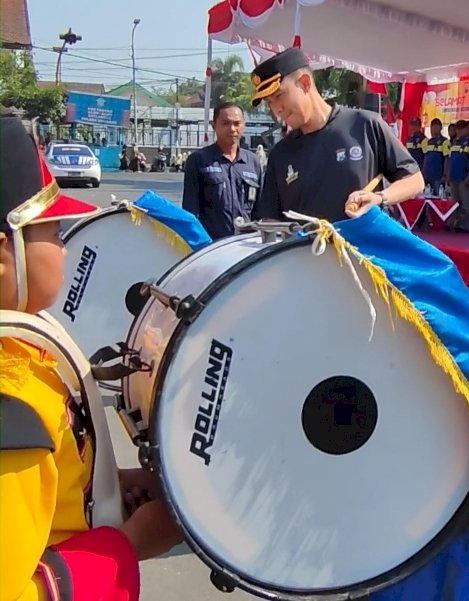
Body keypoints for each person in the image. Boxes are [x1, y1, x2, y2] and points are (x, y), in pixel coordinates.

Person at [0, 111, 183, 601]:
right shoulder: (9, 407)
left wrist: (103, 488)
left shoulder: (20, 351)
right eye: (53, 232)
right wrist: (126, 545)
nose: (64, 249)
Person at [249, 48, 423, 222]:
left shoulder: (364, 125)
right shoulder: (280, 154)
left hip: (360, 247)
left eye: (279, 95)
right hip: (305, 249)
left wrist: (380, 198)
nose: (276, 109)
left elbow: (414, 180)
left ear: (304, 83)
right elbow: (269, 219)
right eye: (270, 102)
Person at [182, 102, 263, 239]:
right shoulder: (199, 160)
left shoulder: (253, 162)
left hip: (247, 244)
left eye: (237, 123)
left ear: (243, 125)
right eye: (225, 123)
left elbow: (260, 210)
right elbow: (190, 211)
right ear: (214, 126)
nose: (232, 129)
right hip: (213, 246)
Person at [445, 120, 469, 231]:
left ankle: (464, 226)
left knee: (465, 204)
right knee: (454, 203)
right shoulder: (454, 143)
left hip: (463, 177)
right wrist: (447, 174)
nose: (459, 131)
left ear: (466, 129)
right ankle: (454, 224)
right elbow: (449, 159)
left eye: (462, 128)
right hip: (453, 176)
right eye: (457, 129)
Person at [420, 118, 449, 196]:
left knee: (438, 197)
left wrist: (445, 174)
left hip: (438, 175)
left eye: (437, 126)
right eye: (433, 127)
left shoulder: (445, 141)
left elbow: (446, 158)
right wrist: (422, 173)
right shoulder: (427, 141)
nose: (434, 129)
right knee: (426, 196)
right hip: (427, 174)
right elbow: (425, 158)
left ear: (440, 128)